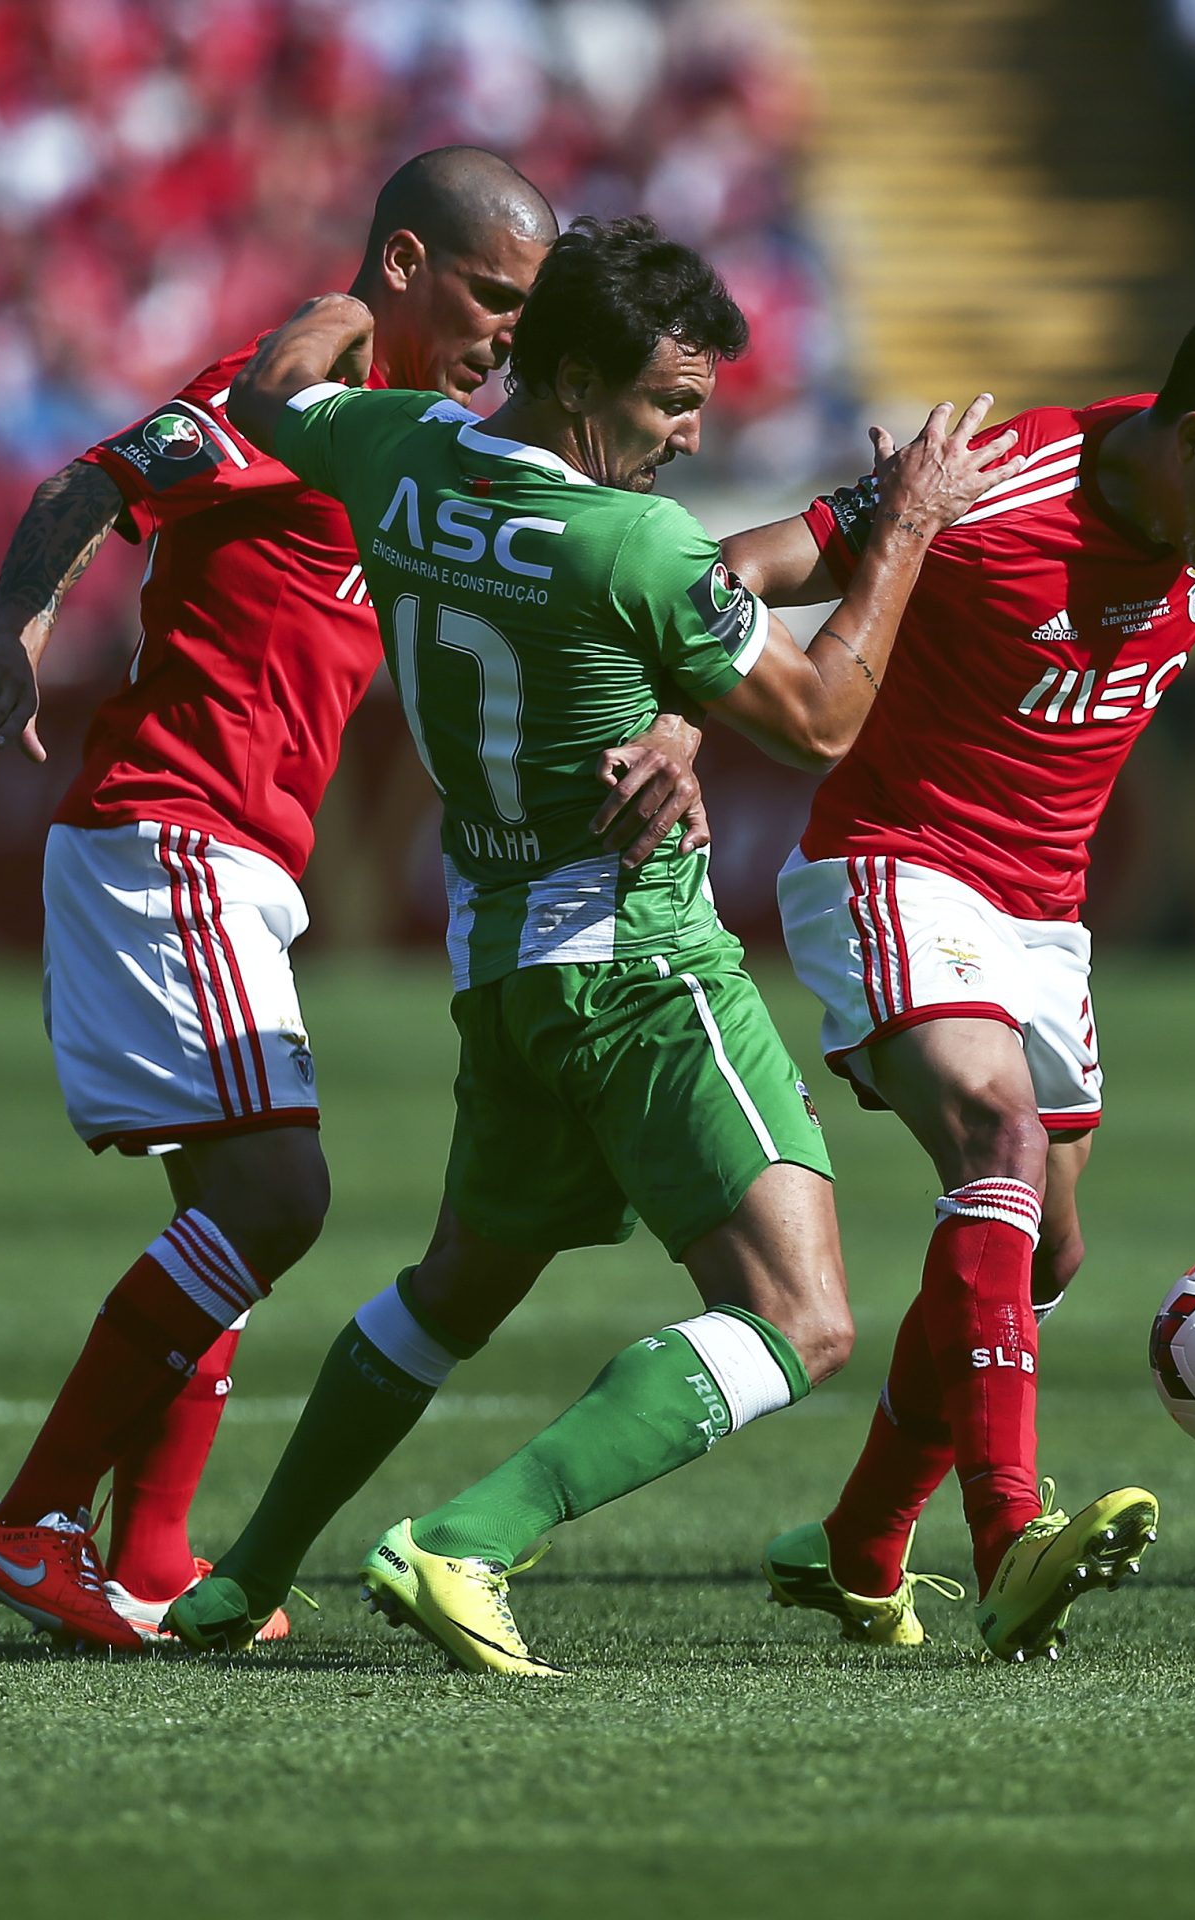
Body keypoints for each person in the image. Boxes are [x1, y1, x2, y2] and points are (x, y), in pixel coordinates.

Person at [163, 214, 1023, 1674]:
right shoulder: (623, 540)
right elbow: (819, 718)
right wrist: (910, 527)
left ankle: (239, 1575)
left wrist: (334, 313)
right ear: (572, 379)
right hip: (639, 963)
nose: (689, 439)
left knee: (453, 1286)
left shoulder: (399, 449)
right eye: (668, 405)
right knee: (800, 1318)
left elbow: (269, 396)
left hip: (500, 973)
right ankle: (468, 1538)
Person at [0, 150, 704, 1655]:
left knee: (225, 1216)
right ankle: (28, 1524)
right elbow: (94, 476)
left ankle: (151, 1559)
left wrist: (677, 712)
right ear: (405, 263)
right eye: (492, 296)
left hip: (244, 849)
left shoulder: (402, 443)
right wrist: (20, 627)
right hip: (173, 826)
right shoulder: (280, 394)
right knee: (275, 1200)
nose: (508, 333)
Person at [719, 297, 1195, 1662]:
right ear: (1192, 441)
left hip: (1041, 913)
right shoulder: (996, 484)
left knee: (1047, 1250)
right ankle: (1007, 1535)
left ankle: (854, 1545)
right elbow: (735, 564)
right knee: (996, 1138)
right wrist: (675, 718)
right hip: (893, 862)